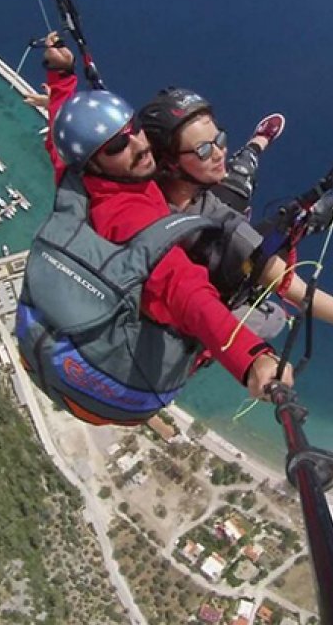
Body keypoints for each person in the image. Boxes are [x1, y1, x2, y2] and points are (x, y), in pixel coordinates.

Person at [16, 38, 293, 426]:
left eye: (133, 129)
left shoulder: (76, 176)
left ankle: (257, 146)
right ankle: (259, 149)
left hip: (79, 327)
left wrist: (60, 73)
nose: (139, 144)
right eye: (117, 145)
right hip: (128, 378)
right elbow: (188, 294)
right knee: (269, 314)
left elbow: (62, 133)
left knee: (227, 207)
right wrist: (252, 359)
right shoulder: (128, 217)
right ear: (95, 159)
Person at [138, 87, 333, 377]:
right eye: (204, 149)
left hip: (204, 229)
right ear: (171, 161)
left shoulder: (141, 185)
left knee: (235, 179)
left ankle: (256, 145)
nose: (219, 150)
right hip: (220, 275)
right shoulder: (228, 236)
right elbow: (300, 292)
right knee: (294, 219)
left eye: (219, 138)